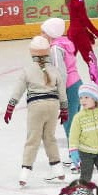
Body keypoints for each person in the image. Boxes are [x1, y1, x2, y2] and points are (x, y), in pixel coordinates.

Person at [5, 35, 69, 187]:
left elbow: (17, 91)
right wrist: (64, 109)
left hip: (36, 107)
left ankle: (24, 173)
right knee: (50, 138)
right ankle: (58, 170)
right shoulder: (54, 70)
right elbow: (62, 92)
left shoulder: (27, 71)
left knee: (32, 140)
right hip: (53, 106)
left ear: (32, 53)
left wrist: (10, 107)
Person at [41, 17, 83, 155]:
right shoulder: (65, 43)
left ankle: (77, 156)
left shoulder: (55, 49)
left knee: (69, 122)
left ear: (51, 34)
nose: (41, 36)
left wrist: (59, 92)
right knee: (75, 121)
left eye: (43, 33)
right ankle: (80, 152)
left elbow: (60, 73)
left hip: (68, 88)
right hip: (77, 83)